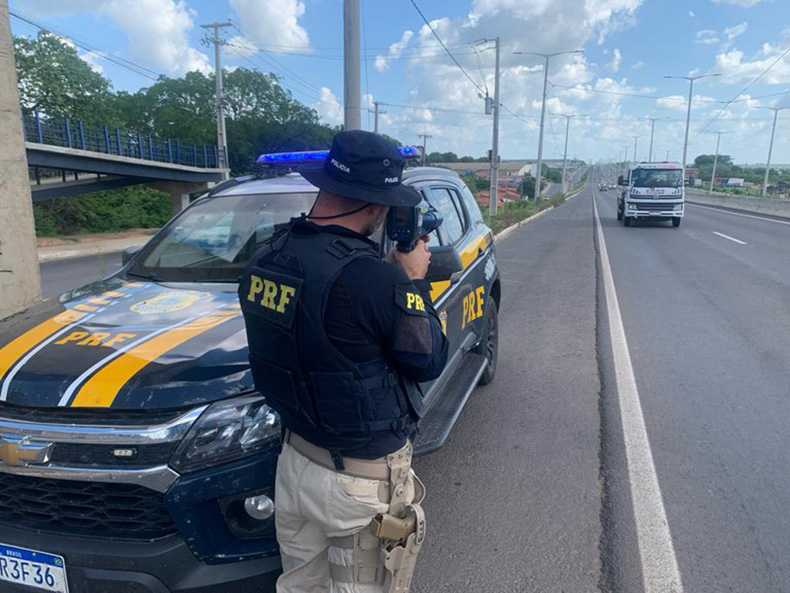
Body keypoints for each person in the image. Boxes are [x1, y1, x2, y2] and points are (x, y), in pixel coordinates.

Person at [238, 130, 449, 592]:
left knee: (299, 586)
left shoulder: (266, 257)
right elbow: (428, 359)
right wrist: (412, 282)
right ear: (376, 206)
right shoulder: (372, 280)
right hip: (359, 482)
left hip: (295, 463)